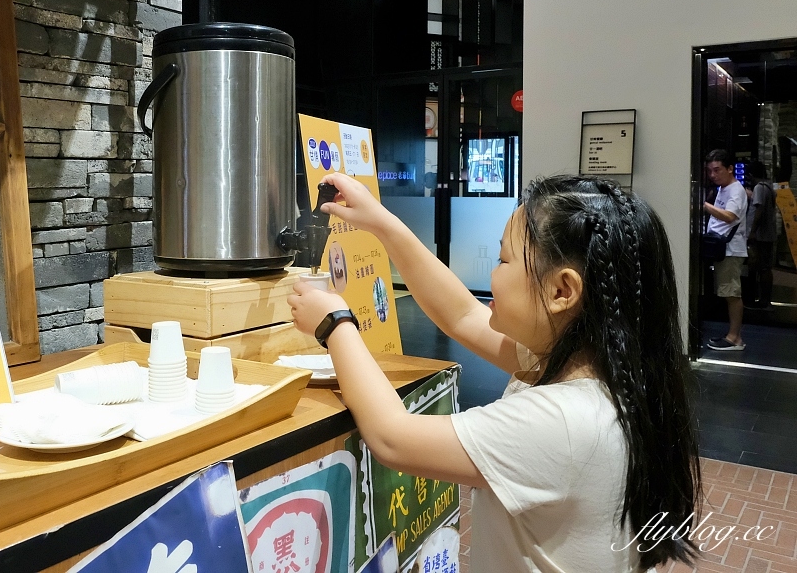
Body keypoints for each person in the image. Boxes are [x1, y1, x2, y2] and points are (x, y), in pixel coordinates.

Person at [288, 172, 701, 573]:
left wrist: (335, 324)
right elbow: (462, 314)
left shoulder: (564, 421)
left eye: (504, 259)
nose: (492, 273)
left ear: (562, 291)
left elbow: (393, 438)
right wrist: (380, 222)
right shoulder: (592, 373)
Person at [703, 149, 748, 350]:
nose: (713, 175)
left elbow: (729, 216)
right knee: (729, 292)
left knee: (732, 294)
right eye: (710, 171)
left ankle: (734, 338)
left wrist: (704, 206)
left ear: (730, 169)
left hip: (730, 250)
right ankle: (733, 336)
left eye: (717, 170)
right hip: (724, 249)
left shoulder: (735, 190)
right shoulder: (724, 188)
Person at [745, 161, 775, 309]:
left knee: (761, 267)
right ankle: (764, 300)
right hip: (767, 234)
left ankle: (763, 301)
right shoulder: (768, 186)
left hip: (760, 235)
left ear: (751, 175)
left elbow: (759, 211)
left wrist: (752, 231)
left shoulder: (759, 188)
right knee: (764, 266)